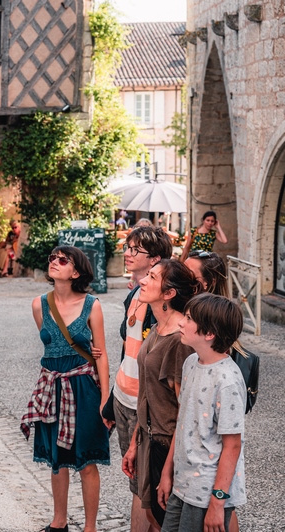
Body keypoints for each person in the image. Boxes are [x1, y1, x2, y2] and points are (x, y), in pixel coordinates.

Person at [20, 246, 110, 532]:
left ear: (76, 272)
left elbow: (102, 353)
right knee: (56, 461)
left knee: (85, 461)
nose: (54, 263)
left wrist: (105, 397)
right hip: (51, 387)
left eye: (63, 261)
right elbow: (50, 346)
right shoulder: (39, 304)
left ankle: (90, 527)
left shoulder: (91, 304)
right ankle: (59, 523)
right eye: (52, 259)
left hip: (83, 387)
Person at [121, 260, 202, 530]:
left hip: (169, 448)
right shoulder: (157, 328)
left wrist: (167, 470)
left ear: (169, 294)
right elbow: (146, 394)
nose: (143, 281)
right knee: (155, 519)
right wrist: (135, 443)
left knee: (167, 522)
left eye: (152, 278)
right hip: (149, 440)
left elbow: (185, 413)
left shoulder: (180, 340)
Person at [158, 294, 246, 532]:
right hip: (182, 484)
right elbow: (183, 422)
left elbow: (232, 446)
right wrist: (167, 473)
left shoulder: (227, 380)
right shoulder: (190, 363)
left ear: (209, 334)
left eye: (188, 318)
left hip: (207, 492)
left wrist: (218, 502)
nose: (180, 323)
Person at [109, 226, 173, 532]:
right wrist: (112, 400)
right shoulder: (135, 293)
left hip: (142, 405)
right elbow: (128, 349)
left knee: (145, 486)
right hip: (123, 397)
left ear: (156, 259)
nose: (127, 253)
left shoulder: (161, 304)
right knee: (135, 481)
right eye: (127, 247)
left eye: (136, 250)